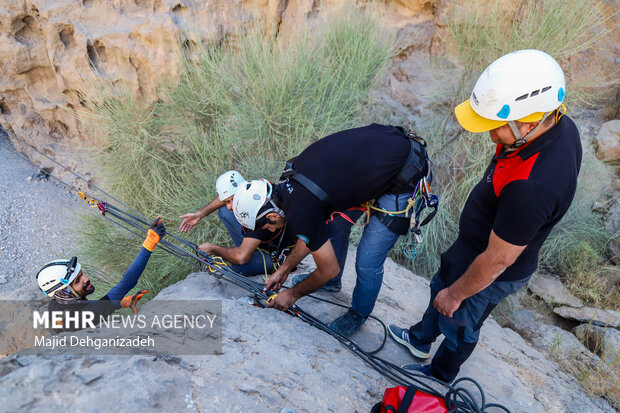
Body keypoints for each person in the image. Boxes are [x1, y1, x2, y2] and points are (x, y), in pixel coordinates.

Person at [388, 49, 582, 383]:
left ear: (528, 123)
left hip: (490, 267)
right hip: (474, 246)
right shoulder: (555, 123)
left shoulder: (533, 187)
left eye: (495, 127)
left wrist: (457, 294)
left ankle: (439, 376)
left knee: (460, 319)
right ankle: (421, 339)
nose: (489, 135)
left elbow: (496, 261)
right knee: (441, 287)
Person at [234, 123, 431, 336]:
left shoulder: (301, 210)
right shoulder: (292, 174)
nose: (272, 232)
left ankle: (359, 313)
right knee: (333, 224)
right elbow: (310, 232)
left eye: (268, 229)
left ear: (272, 216)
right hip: (388, 148)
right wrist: (283, 270)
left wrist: (291, 294)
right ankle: (331, 286)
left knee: (368, 259)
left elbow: (328, 268)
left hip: (407, 172)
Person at [36, 217, 166, 331]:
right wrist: (149, 243)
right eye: (77, 281)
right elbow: (127, 284)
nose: (86, 279)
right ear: (64, 292)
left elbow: (92, 306)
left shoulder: (59, 304)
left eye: (81, 275)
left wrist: (121, 303)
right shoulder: (79, 319)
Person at [180, 170, 297, 277]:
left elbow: (242, 258)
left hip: (276, 253)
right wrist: (199, 214)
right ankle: (246, 247)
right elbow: (225, 198)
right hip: (261, 240)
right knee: (224, 211)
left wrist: (214, 249)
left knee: (241, 266)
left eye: (233, 199)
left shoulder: (255, 212)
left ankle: (250, 251)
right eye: (227, 201)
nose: (231, 206)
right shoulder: (257, 190)